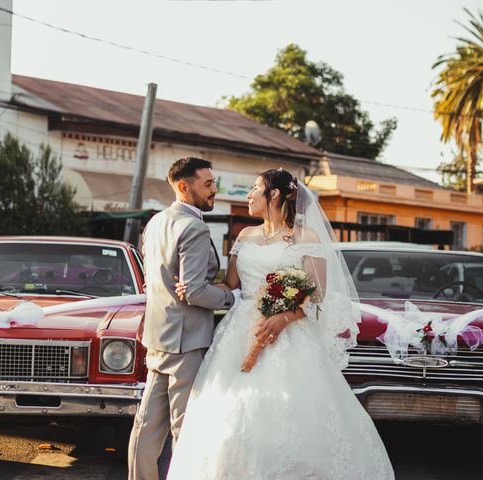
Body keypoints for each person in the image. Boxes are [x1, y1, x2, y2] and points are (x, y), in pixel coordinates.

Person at [167, 168, 394, 479]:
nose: (248, 195)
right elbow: (231, 286)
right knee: (233, 412)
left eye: (255, 188)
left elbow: (317, 296)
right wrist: (192, 290)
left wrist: (284, 316)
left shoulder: (306, 239)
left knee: (293, 414)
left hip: (289, 335)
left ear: (273, 195)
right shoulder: (244, 235)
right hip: (239, 334)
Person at [127, 157, 238, 480]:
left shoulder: (156, 222)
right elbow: (194, 292)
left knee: (147, 425)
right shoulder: (194, 226)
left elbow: (153, 283)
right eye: (208, 184)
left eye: (214, 182)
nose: (214, 190)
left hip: (158, 335)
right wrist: (232, 297)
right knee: (185, 426)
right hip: (186, 339)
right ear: (183, 186)